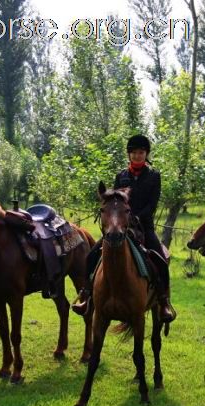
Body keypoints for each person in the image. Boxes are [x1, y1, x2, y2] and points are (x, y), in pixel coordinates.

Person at [72, 135, 176, 323]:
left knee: (160, 259)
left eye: (141, 153)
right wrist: (118, 218)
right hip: (119, 225)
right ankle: (86, 295)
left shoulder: (154, 176)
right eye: (134, 153)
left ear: (146, 154)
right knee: (92, 255)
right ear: (129, 154)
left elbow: (152, 204)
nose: (137, 156)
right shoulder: (121, 176)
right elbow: (114, 201)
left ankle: (163, 301)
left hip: (144, 227)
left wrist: (135, 217)